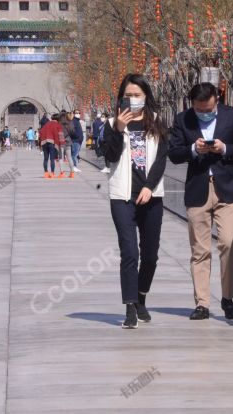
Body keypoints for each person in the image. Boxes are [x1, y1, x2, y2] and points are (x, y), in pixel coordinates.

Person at [168, 82, 233, 321]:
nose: (204, 113)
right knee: (200, 250)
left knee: (228, 243)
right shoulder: (182, 119)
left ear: (217, 99)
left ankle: (227, 297)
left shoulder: (232, 115)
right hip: (198, 189)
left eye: (209, 109)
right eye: (199, 109)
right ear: (192, 104)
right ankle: (202, 303)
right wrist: (193, 150)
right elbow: (173, 154)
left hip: (227, 189)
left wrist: (225, 149)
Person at [103, 73, 168, 329]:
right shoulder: (111, 124)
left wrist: (150, 187)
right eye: (128, 96)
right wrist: (118, 129)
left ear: (146, 97)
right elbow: (108, 156)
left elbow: (162, 159)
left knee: (150, 255)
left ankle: (141, 296)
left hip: (151, 197)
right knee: (130, 252)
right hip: (122, 196)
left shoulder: (157, 123)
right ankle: (129, 306)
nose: (132, 100)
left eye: (137, 95)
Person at [40, 113, 62, 178]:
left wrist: (40, 144)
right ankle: (52, 173)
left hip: (44, 142)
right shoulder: (58, 125)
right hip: (52, 142)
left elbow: (41, 132)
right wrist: (60, 144)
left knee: (45, 159)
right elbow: (59, 135)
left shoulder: (46, 124)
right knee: (52, 159)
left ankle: (46, 173)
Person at [70, 108, 83, 173]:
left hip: (78, 141)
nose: (78, 114)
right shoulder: (74, 121)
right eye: (76, 113)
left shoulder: (77, 121)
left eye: (79, 113)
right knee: (74, 154)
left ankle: (74, 166)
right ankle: (74, 166)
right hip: (75, 141)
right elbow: (72, 131)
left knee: (75, 154)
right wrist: (77, 136)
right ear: (74, 114)